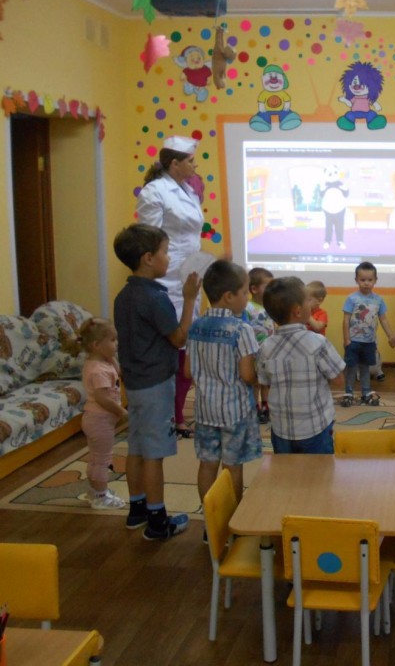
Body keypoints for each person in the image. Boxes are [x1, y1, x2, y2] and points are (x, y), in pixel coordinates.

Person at [113, 223, 199, 541]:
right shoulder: (155, 298)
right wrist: (189, 300)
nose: (168, 257)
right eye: (165, 251)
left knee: (137, 446)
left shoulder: (124, 296)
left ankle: (137, 509)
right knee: (154, 454)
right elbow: (179, 338)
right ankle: (158, 521)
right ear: (148, 258)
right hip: (155, 385)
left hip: (135, 384)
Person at [136, 136, 204, 439]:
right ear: (175, 164)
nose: (194, 165)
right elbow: (148, 238)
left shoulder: (188, 190)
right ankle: (169, 415)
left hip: (188, 275)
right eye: (190, 161)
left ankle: (177, 413)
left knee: (187, 347)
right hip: (166, 278)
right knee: (172, 347)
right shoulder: (155, 192)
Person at [185, 260, 261, 509]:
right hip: (234, 411)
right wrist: (259, 378)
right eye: (245, 292)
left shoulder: (196, 326)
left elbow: (187, 371)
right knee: (232, 466)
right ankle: (231, 517)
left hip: (205, 410)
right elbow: (247, 374)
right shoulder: (241, 329)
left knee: (207, 464)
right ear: (229, 296)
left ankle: (210, 519)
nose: (248, 297)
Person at [258, 277, 346, 453]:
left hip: (281, 429)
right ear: (298, 311)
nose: (311, 304)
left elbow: (264, 381)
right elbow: (339, 381)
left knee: (285, 468)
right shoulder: (318, 342)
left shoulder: (265, 346)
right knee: (320, 469)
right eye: (308, 300)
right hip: (315, 428)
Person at [77, 317, 127, 510]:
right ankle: (101, 496)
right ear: (96, 345)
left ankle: (95, 491)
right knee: (102, 460)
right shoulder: (97, 370)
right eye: (112, 340)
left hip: (96, 419)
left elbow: (119, 372)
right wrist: (121, 412)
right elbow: (102, 398)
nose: (117, 344)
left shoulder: (100, 363)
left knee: (96, 457)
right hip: (99, 420)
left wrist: (110, 357)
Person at [341, 261, 395, 406]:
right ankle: (349, 392)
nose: (366, 283)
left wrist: (390, 335)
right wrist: (346, 339)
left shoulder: (378, 300)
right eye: (362, 280)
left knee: (365, 367)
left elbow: (383, 319)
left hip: (369, 342)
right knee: (351, 367)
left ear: (375, 280)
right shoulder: (352, 299)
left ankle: (366, 391)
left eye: (370, 280)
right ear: (356, 280)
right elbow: (346, 319)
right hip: (353, 341)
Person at [243, 267, 275, 423]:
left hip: (268, 351)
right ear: (254, 289)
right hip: (254, 351)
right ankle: (255, 407)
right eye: (267, 286)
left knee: (266, 381)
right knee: (255, 381)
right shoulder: (248, 307)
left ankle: (266, 406)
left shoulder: (271, 306)